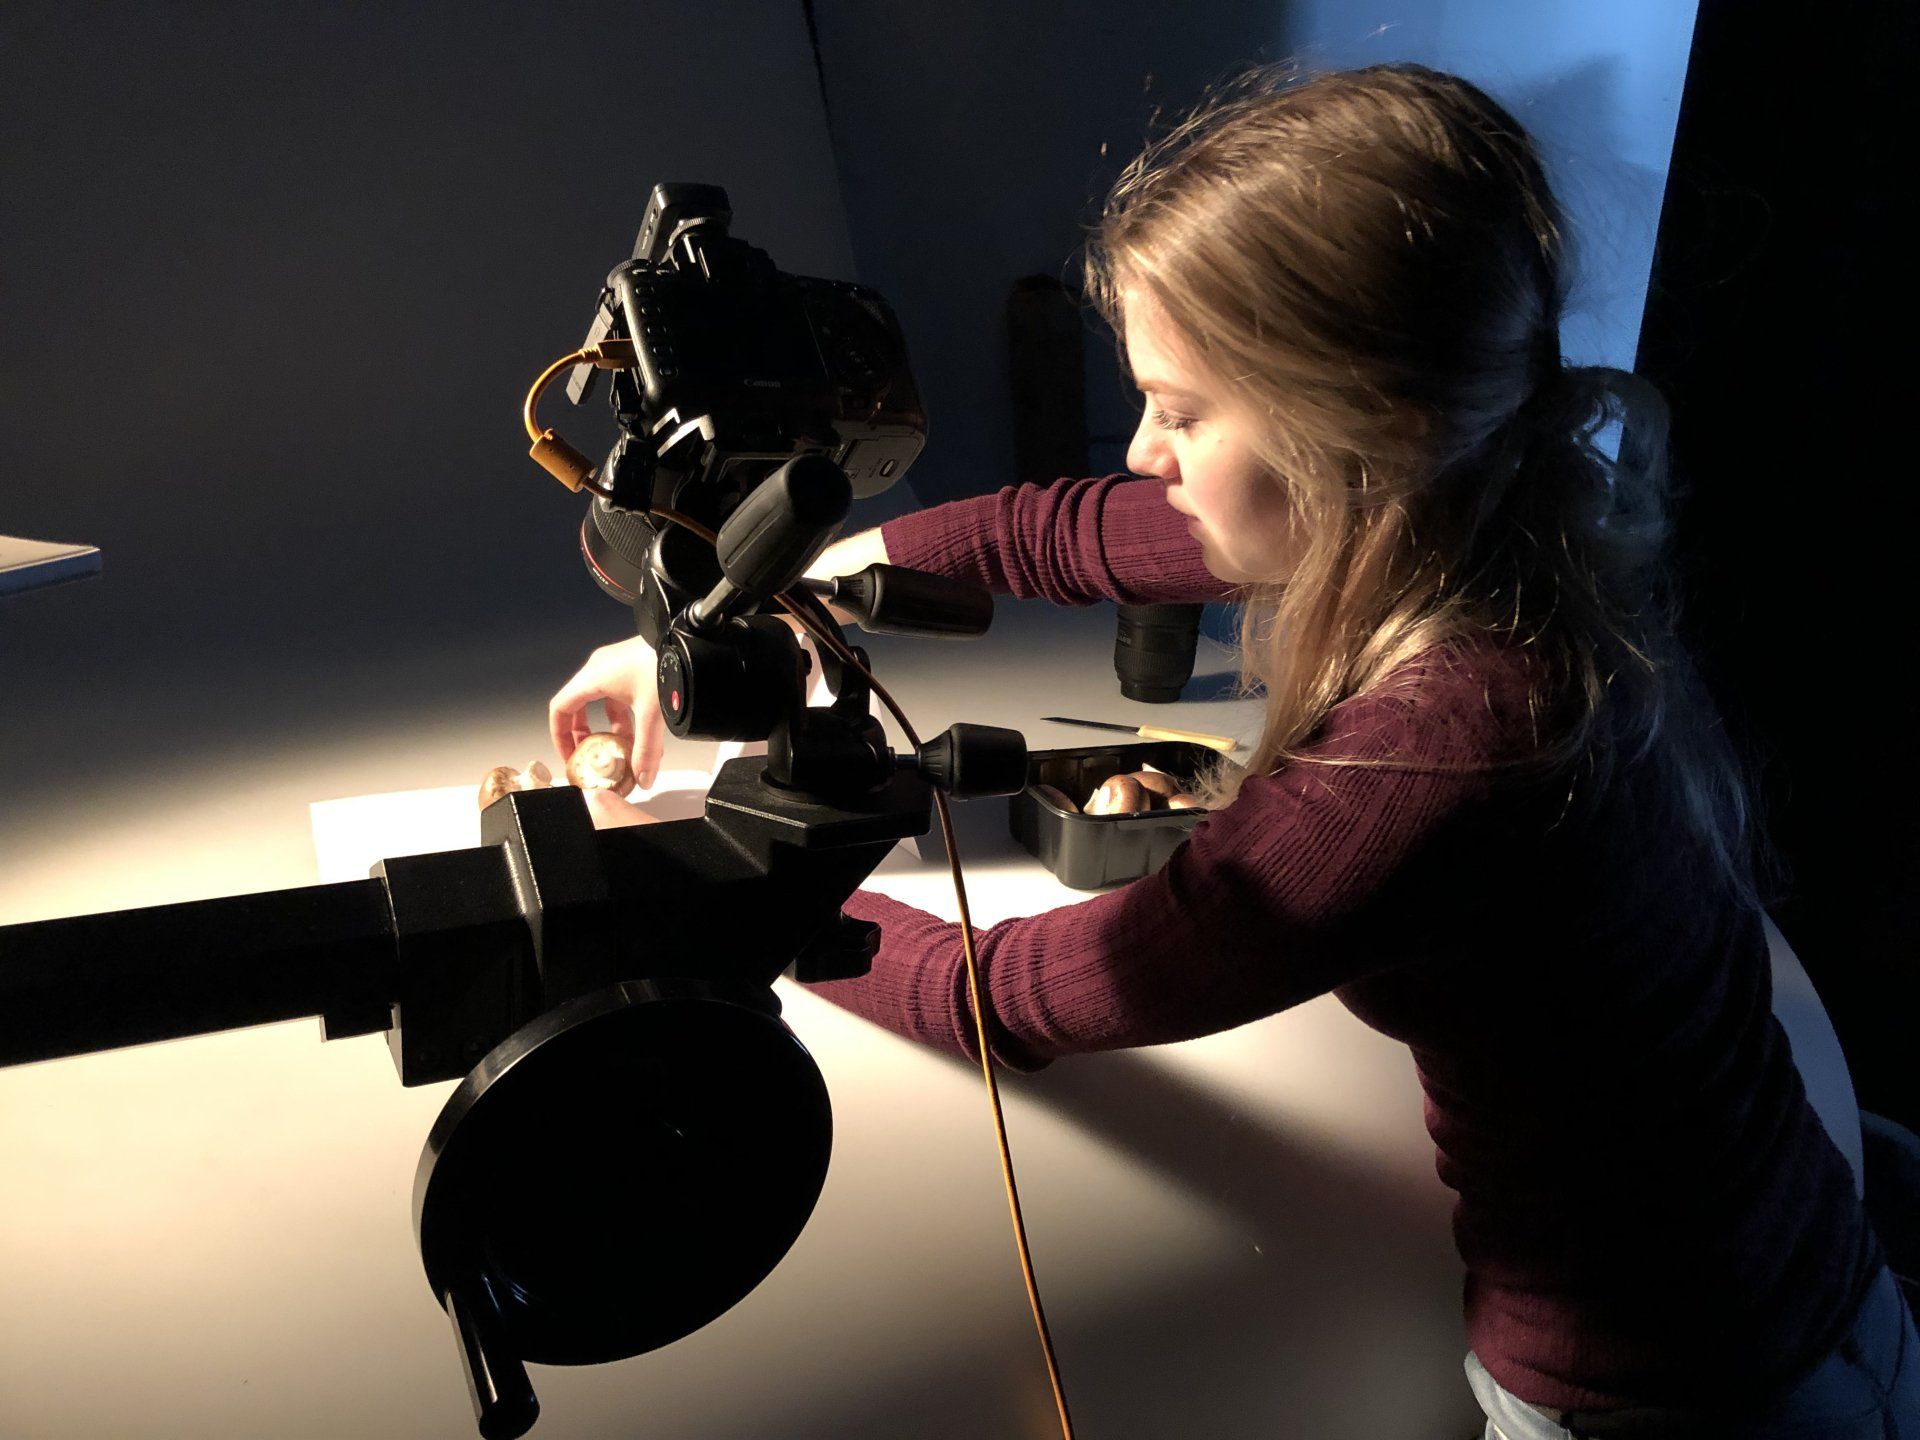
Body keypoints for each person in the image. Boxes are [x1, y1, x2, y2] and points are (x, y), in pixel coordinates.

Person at [549, 62, 1918, 1438]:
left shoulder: (1440, 754)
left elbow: (1023, 990)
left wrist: (748, 883)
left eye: (1185, 410)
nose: (1147, 450)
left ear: (1370, 428)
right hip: (1816, 1272)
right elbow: (1056, 532)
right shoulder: (1482, 513)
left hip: (1672, 1394)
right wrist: (780, 599)